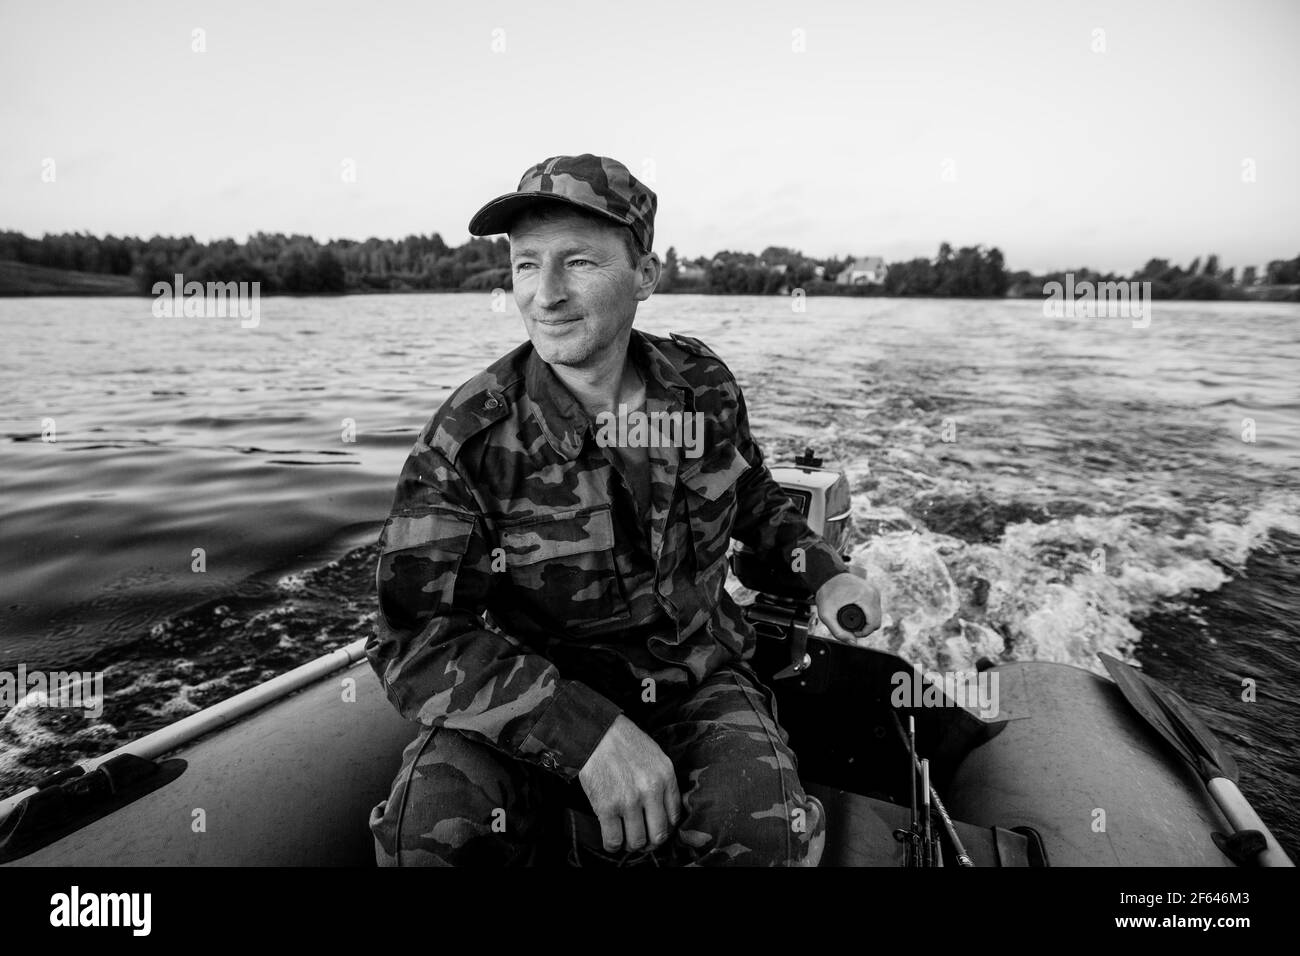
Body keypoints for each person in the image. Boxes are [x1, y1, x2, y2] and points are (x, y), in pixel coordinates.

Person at [366, 153, 882, 866]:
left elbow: (756, 498)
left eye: (577, 262)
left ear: (645, 275)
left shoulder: (700, 387)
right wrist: (583, 733)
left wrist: (824, 573)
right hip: (535, 690)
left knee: (763, 830)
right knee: (426, 831)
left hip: (695, 679)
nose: (544, 295)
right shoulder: (470, 438)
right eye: (524, 265)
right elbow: (413, 637)